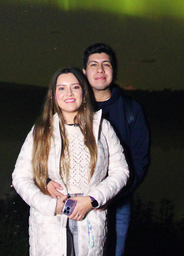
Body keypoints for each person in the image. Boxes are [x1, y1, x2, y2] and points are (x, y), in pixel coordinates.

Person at [13, 67, 129, 256]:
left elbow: (121, 171)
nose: (69, 93)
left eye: (75, 87)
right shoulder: (41, 130)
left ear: (84, 92)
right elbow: (20, 177)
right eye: (61, 88)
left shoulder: (102, 128)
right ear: (53, 95)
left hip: (90, 219)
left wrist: (92, 199)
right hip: (50, 224)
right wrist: (49, 205)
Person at [48, 43, 150, 256]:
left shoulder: (131, 110)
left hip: (119, 202)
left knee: (115, 251)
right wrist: (48, 183)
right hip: (75, 202)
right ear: (84, 73)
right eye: (93, 65)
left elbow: (140, 159)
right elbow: (46, 156)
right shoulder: (71, 107)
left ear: (114, 70)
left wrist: (107, 197)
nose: (100, 70)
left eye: (106, 64)